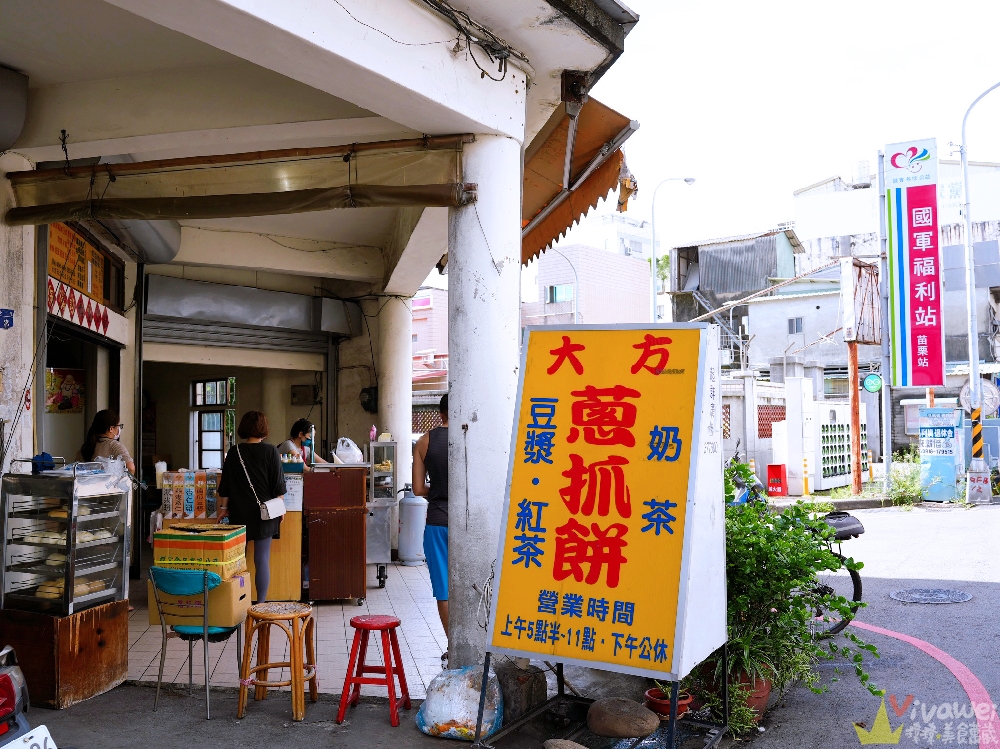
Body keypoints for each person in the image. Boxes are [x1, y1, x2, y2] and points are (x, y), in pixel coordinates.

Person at [217, 411, 286, 603]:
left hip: (240, 513)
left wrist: (223, 509)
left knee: (238, 562)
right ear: (264, 428)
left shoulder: (234, 451)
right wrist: (280, 508)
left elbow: (226, 486)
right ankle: (260, 604)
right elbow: (278, 485)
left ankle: (239, 602)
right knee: (262, 560)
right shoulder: (271, 451)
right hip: (266, 513)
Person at [412, 394, 449, 664]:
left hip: (438, 522)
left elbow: (417, 489)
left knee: (444, 589)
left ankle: (454, 645)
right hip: (472, 525)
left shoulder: (425, 441)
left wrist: (436, 492)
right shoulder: (475, 437)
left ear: (441, 412)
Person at [78, 409, 136, 475]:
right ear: (111, 429)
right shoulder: (114, 446)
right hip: (109, 485)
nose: (119, 429)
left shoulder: (85, 448)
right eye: (118, 426)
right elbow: (130, 468)